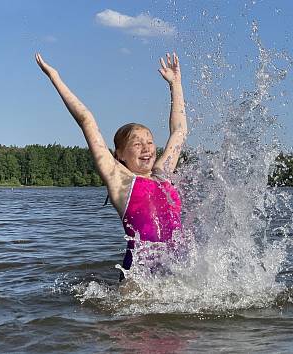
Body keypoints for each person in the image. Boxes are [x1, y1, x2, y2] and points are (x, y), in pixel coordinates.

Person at [35, 52, 188, 280]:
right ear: (120, 155)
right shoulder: (120, 180)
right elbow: (86, 120)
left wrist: (176, 84)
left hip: (179, 274)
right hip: (140, 281)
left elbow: (179, 131)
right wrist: (55, 77)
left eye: (149, 142)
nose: (146, 148)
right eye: (137, 144)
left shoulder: (163, 175)